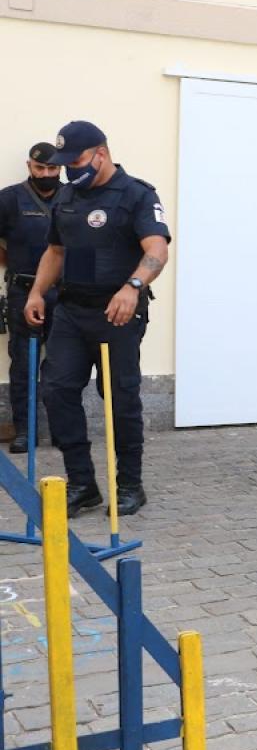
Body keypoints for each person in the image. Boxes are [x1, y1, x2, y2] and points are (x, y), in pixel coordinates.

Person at [27, 121, 170, 516]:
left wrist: (133, 285)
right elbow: (55, 252)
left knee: (120, 400)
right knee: (56, 391)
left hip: (116, 314)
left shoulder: (136, 194)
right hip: (71, 312)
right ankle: (83, 484)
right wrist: (38, 292)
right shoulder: (66, 196)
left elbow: (156, 248)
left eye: (76, 160)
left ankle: (130, 486)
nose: (70, 169)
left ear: (101, 153)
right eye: (65, 162)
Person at [0, 142, 61, 454]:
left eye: (52, 169)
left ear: (60, 168)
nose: (47, 174)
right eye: (41, 168)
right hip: (23, 292)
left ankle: (63, 430)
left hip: (66, 296)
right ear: (29, 167)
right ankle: (26, 431)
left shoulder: (75, 198)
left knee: (63, 364)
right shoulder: (9, 199)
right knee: (24, 363)